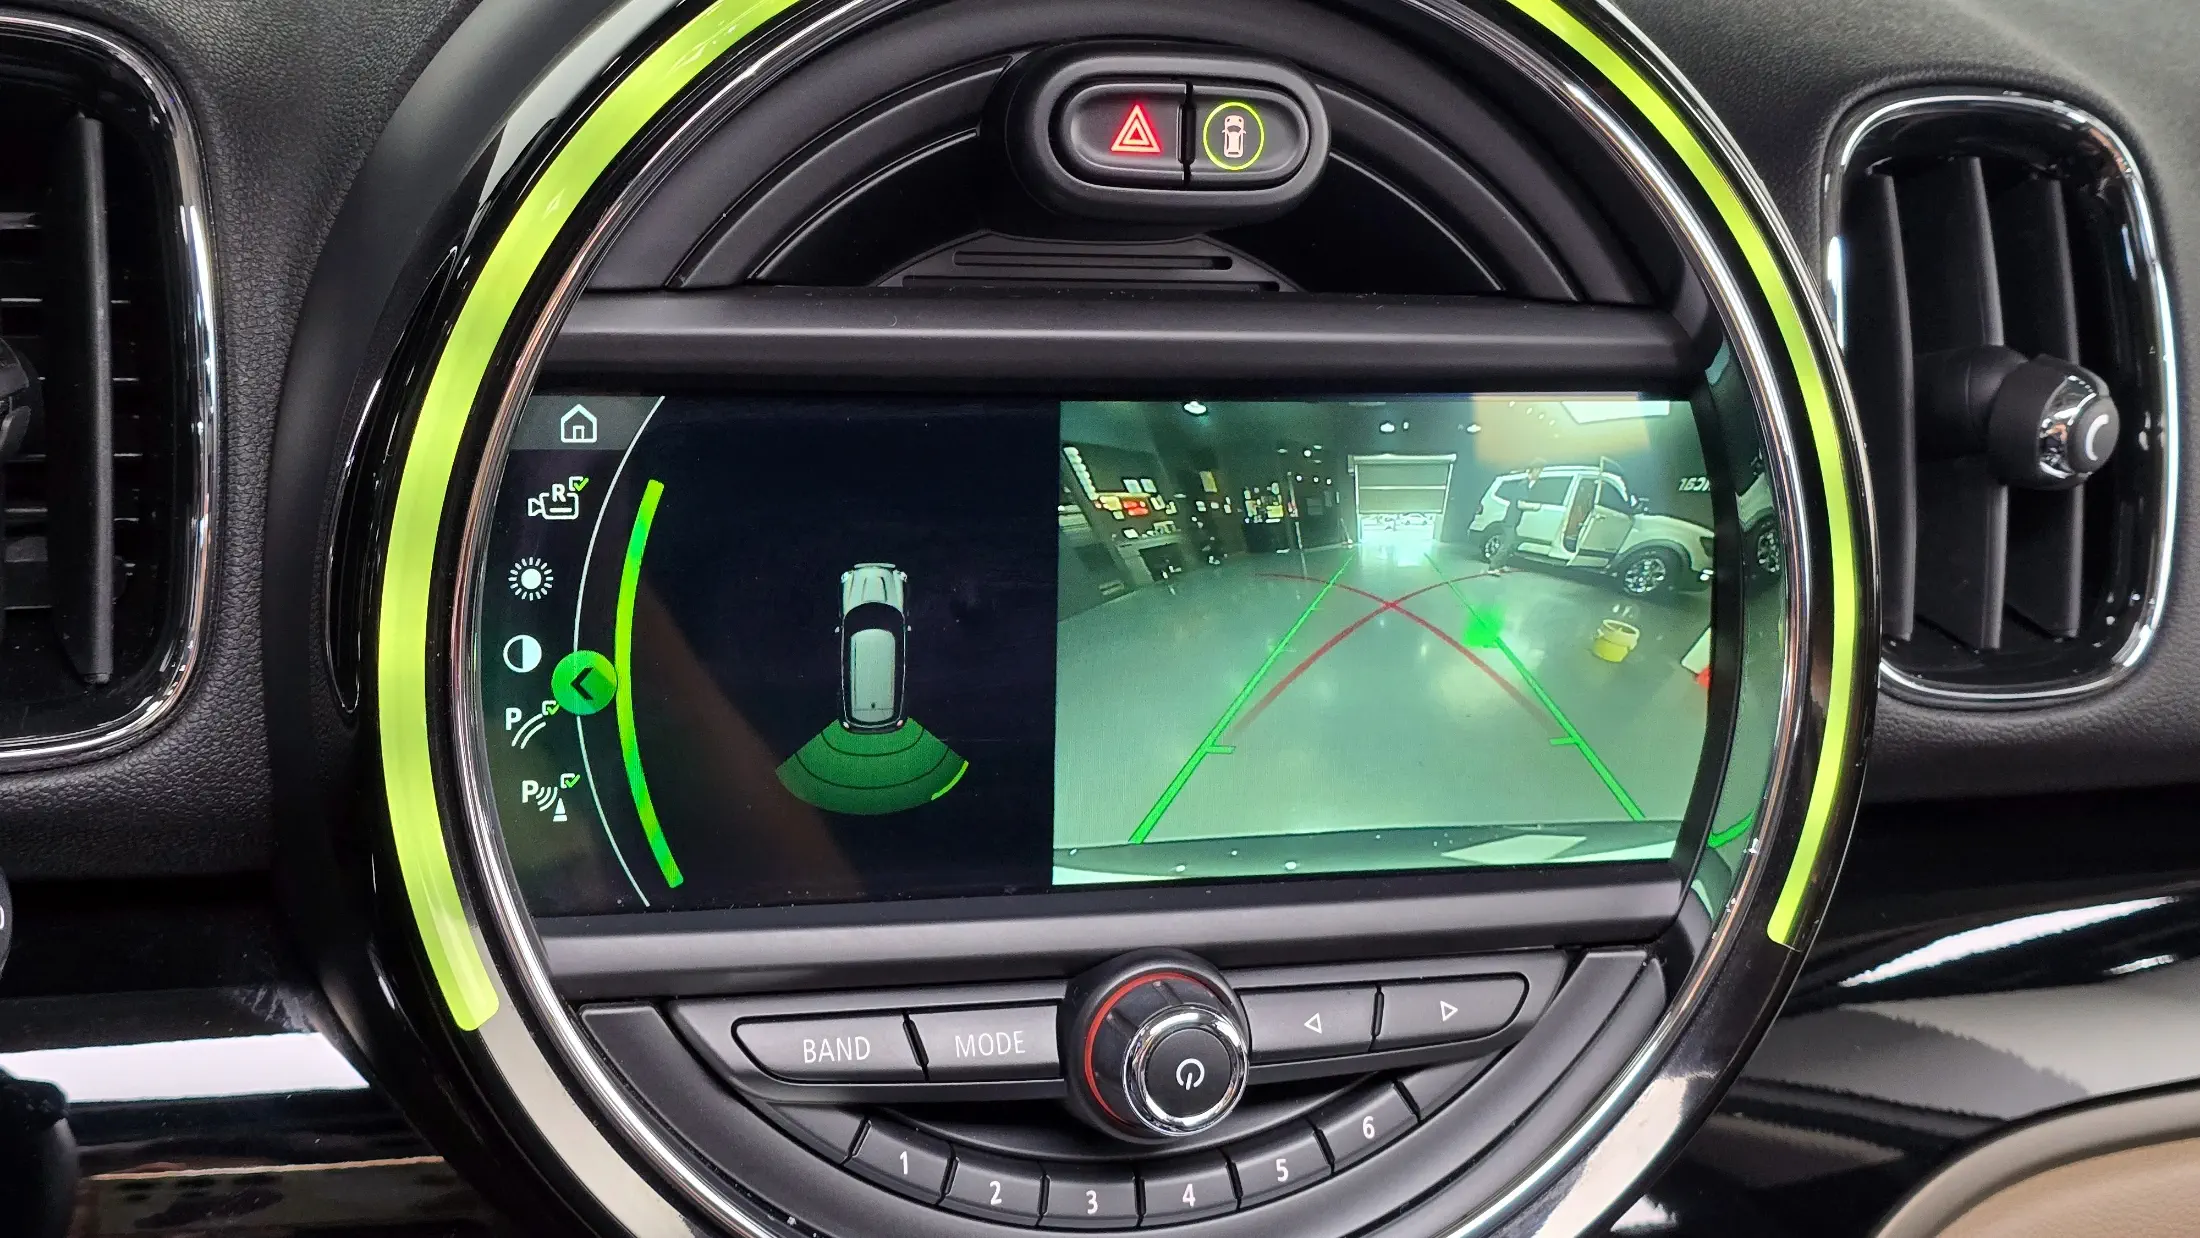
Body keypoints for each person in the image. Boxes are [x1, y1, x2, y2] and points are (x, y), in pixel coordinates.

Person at [1485, 459, 1547, 567]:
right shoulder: (1523, 485)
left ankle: (1501, 565)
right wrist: (1535, 506)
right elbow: (1520, 504)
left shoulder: (1527, 485)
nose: (1539, 474)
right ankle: (1493, 567)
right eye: (1539, 471)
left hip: (1514, 521)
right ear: (1532, 470)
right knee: (1507, 544)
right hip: (1510, 521)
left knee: (1511, 544)